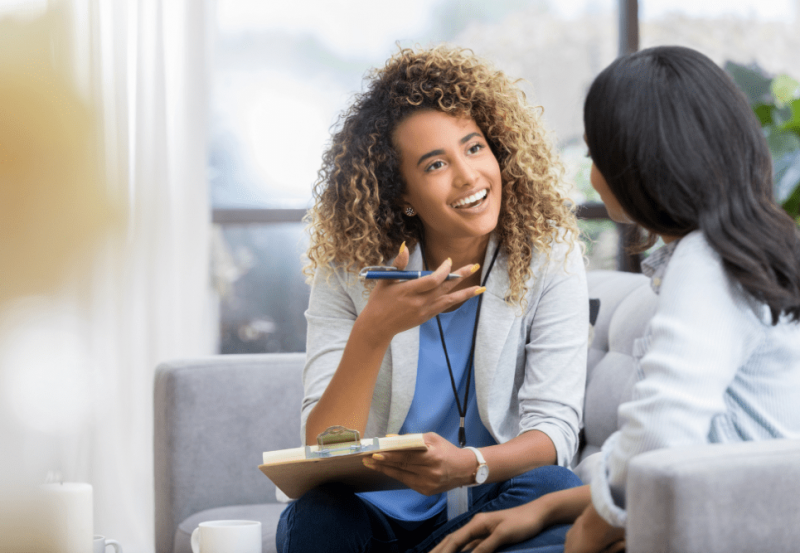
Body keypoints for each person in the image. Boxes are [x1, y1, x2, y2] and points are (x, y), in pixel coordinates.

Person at [431, 45, 800, 553]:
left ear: (639, 165)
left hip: (732, 525)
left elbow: (662, 430)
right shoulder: (741, 251)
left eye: (595, 154)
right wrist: (546, 508)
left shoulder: (705, 263)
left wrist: (593, 527)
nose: (591, 170)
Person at [275, 45, 589, 553]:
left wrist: (471, 466)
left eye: (474, 148)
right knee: (315, 517)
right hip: (375, 517)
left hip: (487, 508)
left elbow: (555, 433)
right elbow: (320, 450)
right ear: (401, 193)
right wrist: (373, 331)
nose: (468, 176)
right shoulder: (349, 270)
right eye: (436, 163)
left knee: (555, 488)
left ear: (498, 150)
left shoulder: (550, 256)